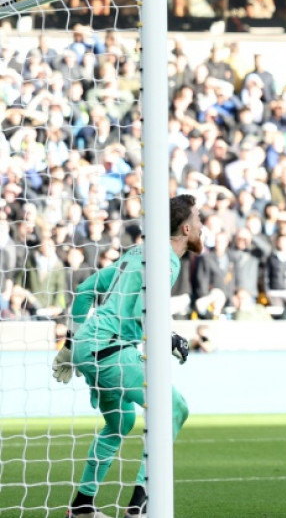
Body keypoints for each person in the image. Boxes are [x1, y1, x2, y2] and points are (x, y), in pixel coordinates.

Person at [52, 195, 202, 518]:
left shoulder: (136, 252)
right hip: (112, 348)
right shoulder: (167, 260)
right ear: (187, 227)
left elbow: (85, 290)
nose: (202, 226)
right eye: (199, 219)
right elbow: (140, 310)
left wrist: (70, 345)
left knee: (120, 422)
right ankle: (141, 501)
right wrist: (171, 338)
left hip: (89, 346)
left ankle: (82, 505)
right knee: (176, 408)